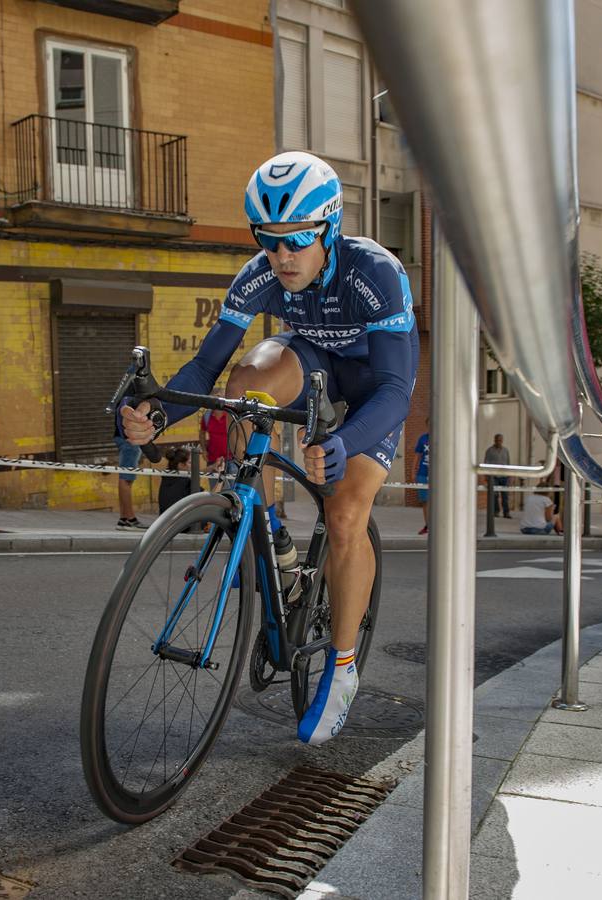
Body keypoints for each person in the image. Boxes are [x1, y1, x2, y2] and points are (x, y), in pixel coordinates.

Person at [120, 151, 419, 744]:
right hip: (311, 363)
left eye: (298, 241)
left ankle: (341, 666)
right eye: (268, 239)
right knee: (244, 385)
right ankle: (262, 525)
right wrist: (156, 413)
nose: (282, 256)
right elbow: (205, 365)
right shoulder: (259, 274)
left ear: (329, 229)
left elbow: (395, 390)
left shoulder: (374, 273)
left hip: (372, 390)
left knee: (344, 514)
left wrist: (345, 443)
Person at [113, 419, 145, 530]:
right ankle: (130, 519)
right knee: (126, 479)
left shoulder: (122, 401)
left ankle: (124, 519)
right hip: (130, 439)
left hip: (127, 438)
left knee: (126, 479)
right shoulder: (131, 402)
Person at [199, 405, 232, 490]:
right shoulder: (207, 416)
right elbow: (202, 433)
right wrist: (204, 450)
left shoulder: (230, 415)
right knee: (215, 491)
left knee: (234, 491)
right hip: (213, 461)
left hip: (231, 460)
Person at [157, 445, 196, 516]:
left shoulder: (166, 477)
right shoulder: (186, 482)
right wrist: (220, 480)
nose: (193, 465)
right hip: (183, 525)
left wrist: (211, 467)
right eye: (190, 462)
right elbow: (210, 498)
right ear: (181, 465)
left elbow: (197, 474)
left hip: (165, 524)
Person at [484, 434, 512, 517]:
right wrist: (487, 475)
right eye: (497, 440)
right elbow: (486, 463)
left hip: (504, 476)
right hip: (494, 477)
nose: (498, 442)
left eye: (500, 440)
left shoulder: (505, 450)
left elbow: (508, 463)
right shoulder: (489, 451)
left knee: (505, 496)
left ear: (502, 441)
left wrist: (509, 475)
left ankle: (506, 512)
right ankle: (496, 512)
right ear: (494, 440)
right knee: (494, 495)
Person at [414, 420, 430, 535]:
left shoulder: (442, 437)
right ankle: (428, 525)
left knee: (437, 501)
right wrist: (413, 471)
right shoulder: (423, 438)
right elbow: (417, 455)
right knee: (425, 501)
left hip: (437, 475)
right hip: (423, 473)